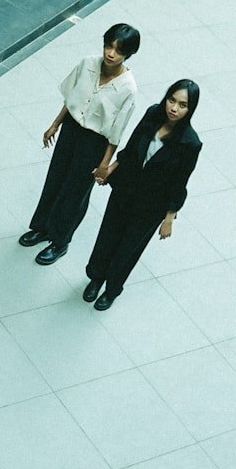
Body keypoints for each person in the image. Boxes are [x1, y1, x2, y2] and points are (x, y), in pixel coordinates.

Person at [19, 23, 140, 265]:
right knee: (55, 179)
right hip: (71, 129)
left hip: (95, 142)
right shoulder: (88, 64)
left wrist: (105, 164)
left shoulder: (128, 88)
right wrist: (55, 124)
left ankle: (60, 241)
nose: (110, 53)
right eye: (108, 46)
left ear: (128, 54)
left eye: (118, 50)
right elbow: (71, 98)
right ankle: (42, 227)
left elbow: (115, 132)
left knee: (75, 192)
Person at [83, 79, 203, 310]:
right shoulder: (151, 115)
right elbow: (129, 150)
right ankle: (96, 277)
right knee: (108, 235)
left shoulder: (190, 143)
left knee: (128, 249)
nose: (174, 108)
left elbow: (180, 183)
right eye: (172, 100)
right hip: (125, 190)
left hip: (152, 206)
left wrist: (169, 219)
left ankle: (112, 289)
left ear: (191, 108)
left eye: (182, 105)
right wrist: (109, 170)